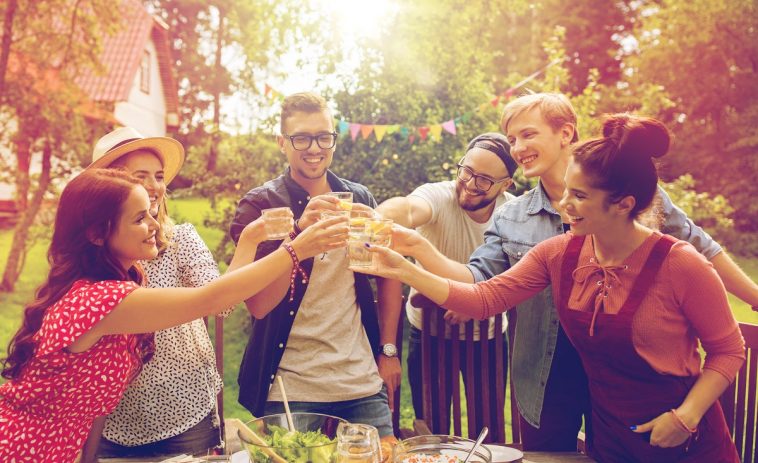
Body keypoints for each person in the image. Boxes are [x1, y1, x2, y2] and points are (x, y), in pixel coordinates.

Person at [355, 114, 745, 462]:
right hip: (609, 443)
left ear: (623, 204)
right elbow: (484, 298)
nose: (563, 206)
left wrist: (686, 416)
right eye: (566, 192)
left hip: (684, 442)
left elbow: (729, 349)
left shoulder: (681, 263)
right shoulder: (558, 253)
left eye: (579, 196)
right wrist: (406, 262)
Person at [0, 168, 347, 463]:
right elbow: (211, 299)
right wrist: (297, 249)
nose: (154, 224)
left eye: (151, 211)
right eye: (139, 218)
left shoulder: (123, 280)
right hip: (26, 449)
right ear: (96, 233)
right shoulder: (99, 299)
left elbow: (91, 408)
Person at [229, 92, 400, 437]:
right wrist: (298, 236)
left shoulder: (359, 199)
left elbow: (386, 272)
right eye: (301, 138)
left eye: (324, 136)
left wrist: (388, 350)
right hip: (290, 391)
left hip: (360, 384)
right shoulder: (261, 206)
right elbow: (260, 306)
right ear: (282, 142)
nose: (314, 148)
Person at [75, 127, 223, 459]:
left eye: (158, 176)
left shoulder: (180, 238)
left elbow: (219, 302)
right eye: (141, 177)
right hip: (113, 423)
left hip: (185, 412)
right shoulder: (90, 263)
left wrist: (259, 244)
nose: (155, 186)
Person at [376, 132, 516, 430]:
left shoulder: (513, 213)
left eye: (484, 180)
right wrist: (378, 216)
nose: (469, 184)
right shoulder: (439, 194)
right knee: (431, 428)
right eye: (467, 171)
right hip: (428, 334)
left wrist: (478, 304)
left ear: (506, 185)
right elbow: (409, 208)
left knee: (488, 427)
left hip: (488, 339)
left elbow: (521, 275)